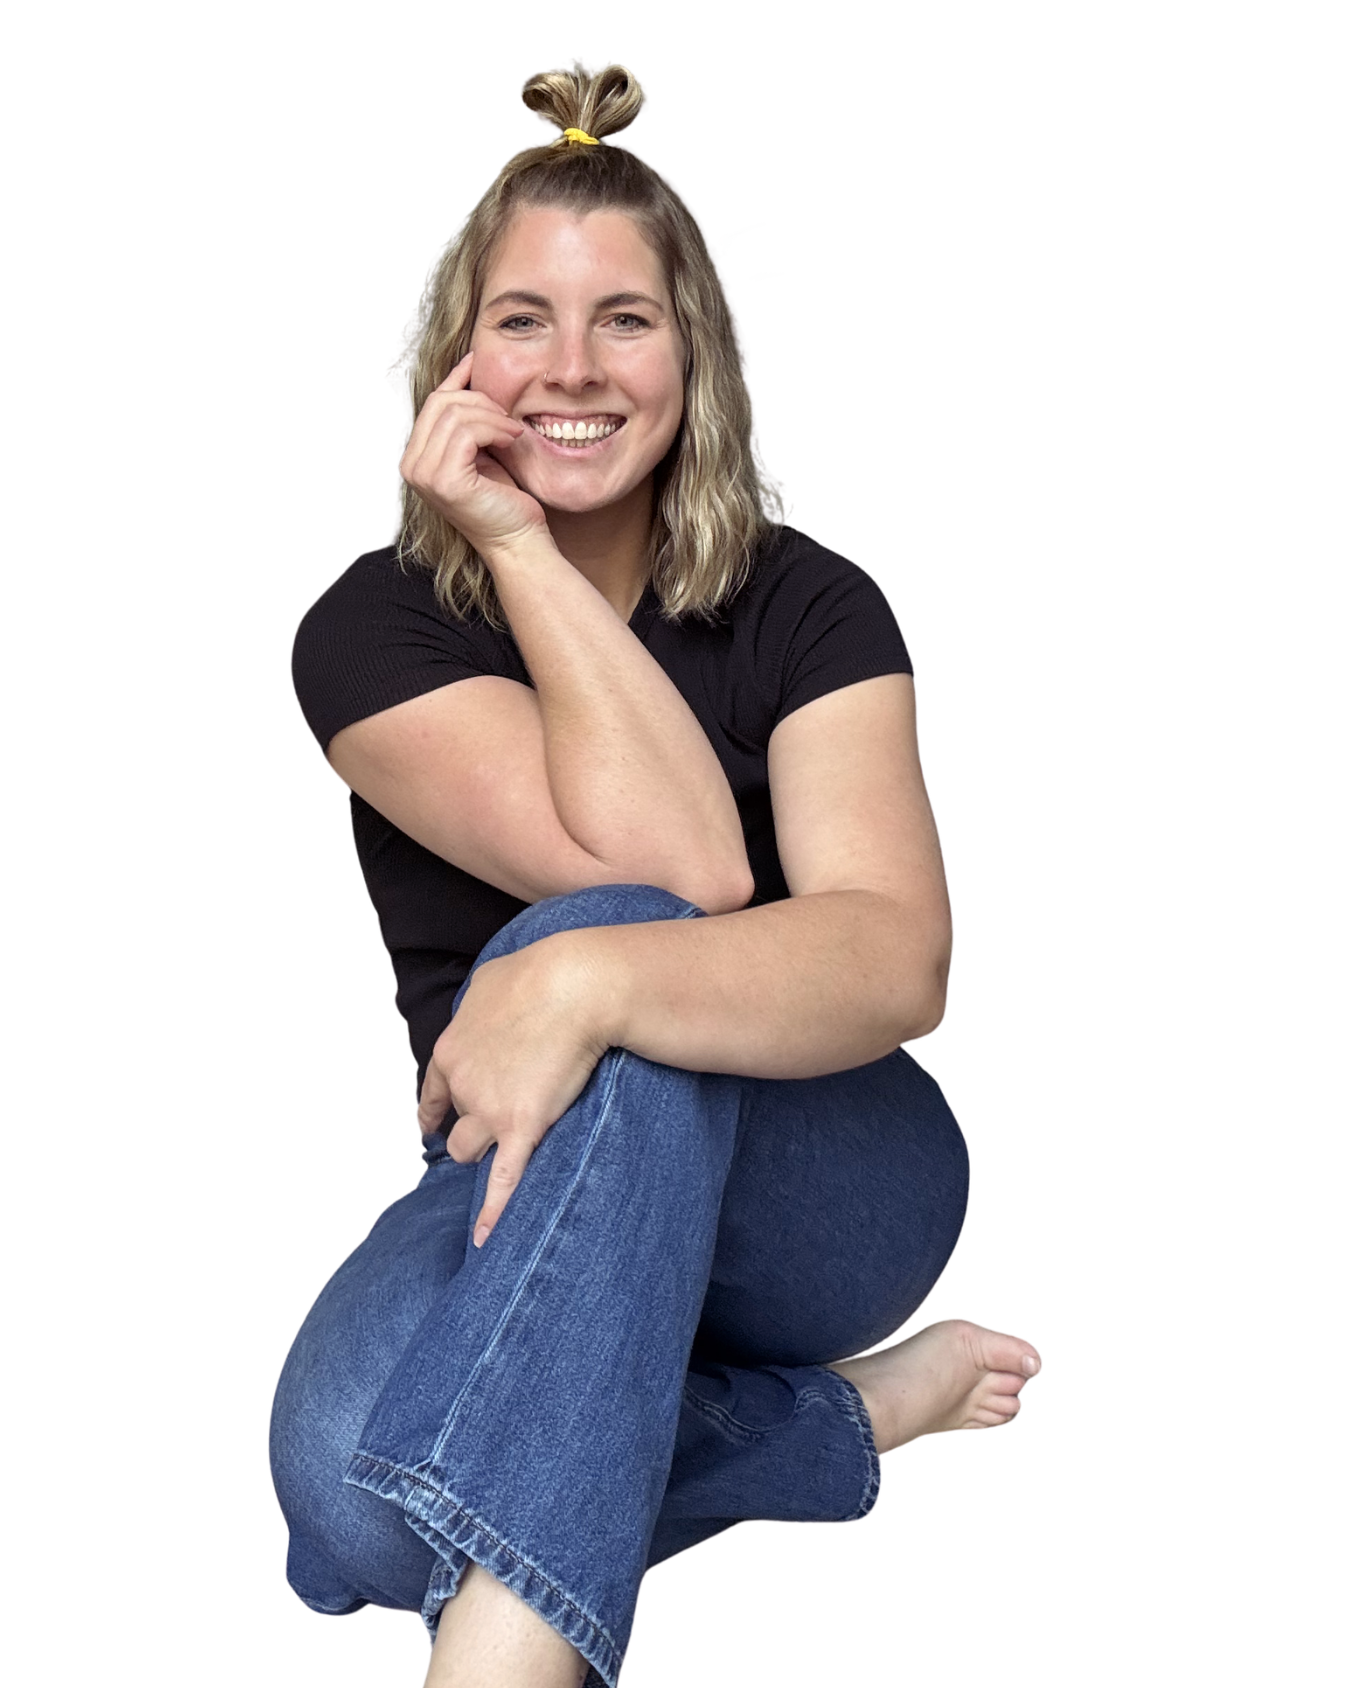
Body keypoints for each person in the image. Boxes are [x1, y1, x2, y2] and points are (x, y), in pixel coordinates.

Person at [270, 63, 1041, 1688]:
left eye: (623, 320)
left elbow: (875, 954)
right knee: (350, 1493)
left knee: (612, 940)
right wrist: (513, 546)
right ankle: (834, 1423)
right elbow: (687, 864)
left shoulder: (811, 608)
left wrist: (577, 977)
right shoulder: (374, 630)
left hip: (824, 1175)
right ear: (457, 361)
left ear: (693, 357)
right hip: (514, 1188)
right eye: (523, 321)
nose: (570, 368)